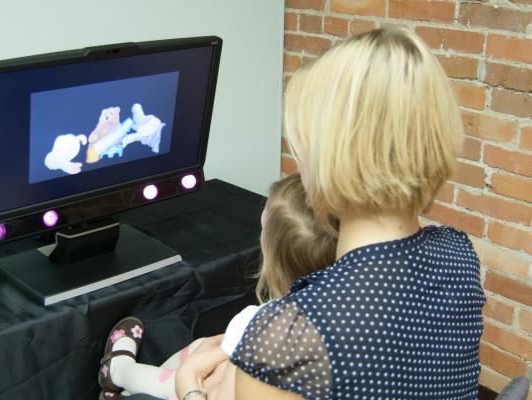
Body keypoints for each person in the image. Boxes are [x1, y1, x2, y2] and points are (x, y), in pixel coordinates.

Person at [175, 27, 485, 400]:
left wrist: (189, 389)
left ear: (333, 156)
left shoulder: (291, 339)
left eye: (303, 147)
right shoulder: (459, 255)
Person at [97, 174, 338, 400]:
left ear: (272, 254)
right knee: (202, 346)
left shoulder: (258, 322)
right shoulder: (342, 311)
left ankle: (118, 372)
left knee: (173, 380)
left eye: (263, 229)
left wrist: (190, 385)